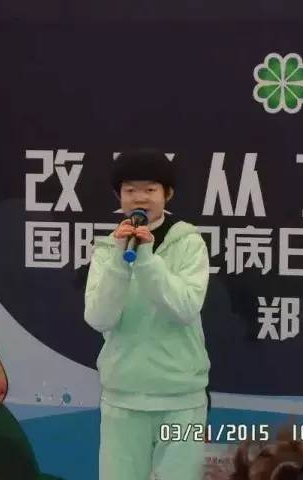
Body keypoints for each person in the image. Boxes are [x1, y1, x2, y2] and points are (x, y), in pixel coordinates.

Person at [84, 149, 211, 480]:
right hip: (123, 397)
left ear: (167, 194)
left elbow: (185, 307)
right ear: (119, 197)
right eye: (130, 190)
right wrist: (119, 262)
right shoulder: (108, 248)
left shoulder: (189, 242)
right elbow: (98, 318)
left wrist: (146, 260)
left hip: (180, 400)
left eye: (150, 189)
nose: (140, 198)